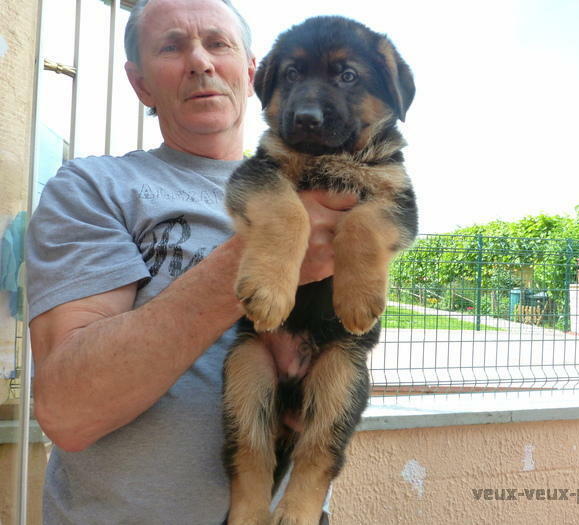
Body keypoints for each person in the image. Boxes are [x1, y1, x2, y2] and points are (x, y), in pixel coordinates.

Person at [26, 0, 352, 522]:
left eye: (218, 44)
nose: (200, 61)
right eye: (172, 46)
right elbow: (68, 411)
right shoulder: (97, 188)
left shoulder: (316, 187)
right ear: (140, 85)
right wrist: (259, 256)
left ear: (251, 73)